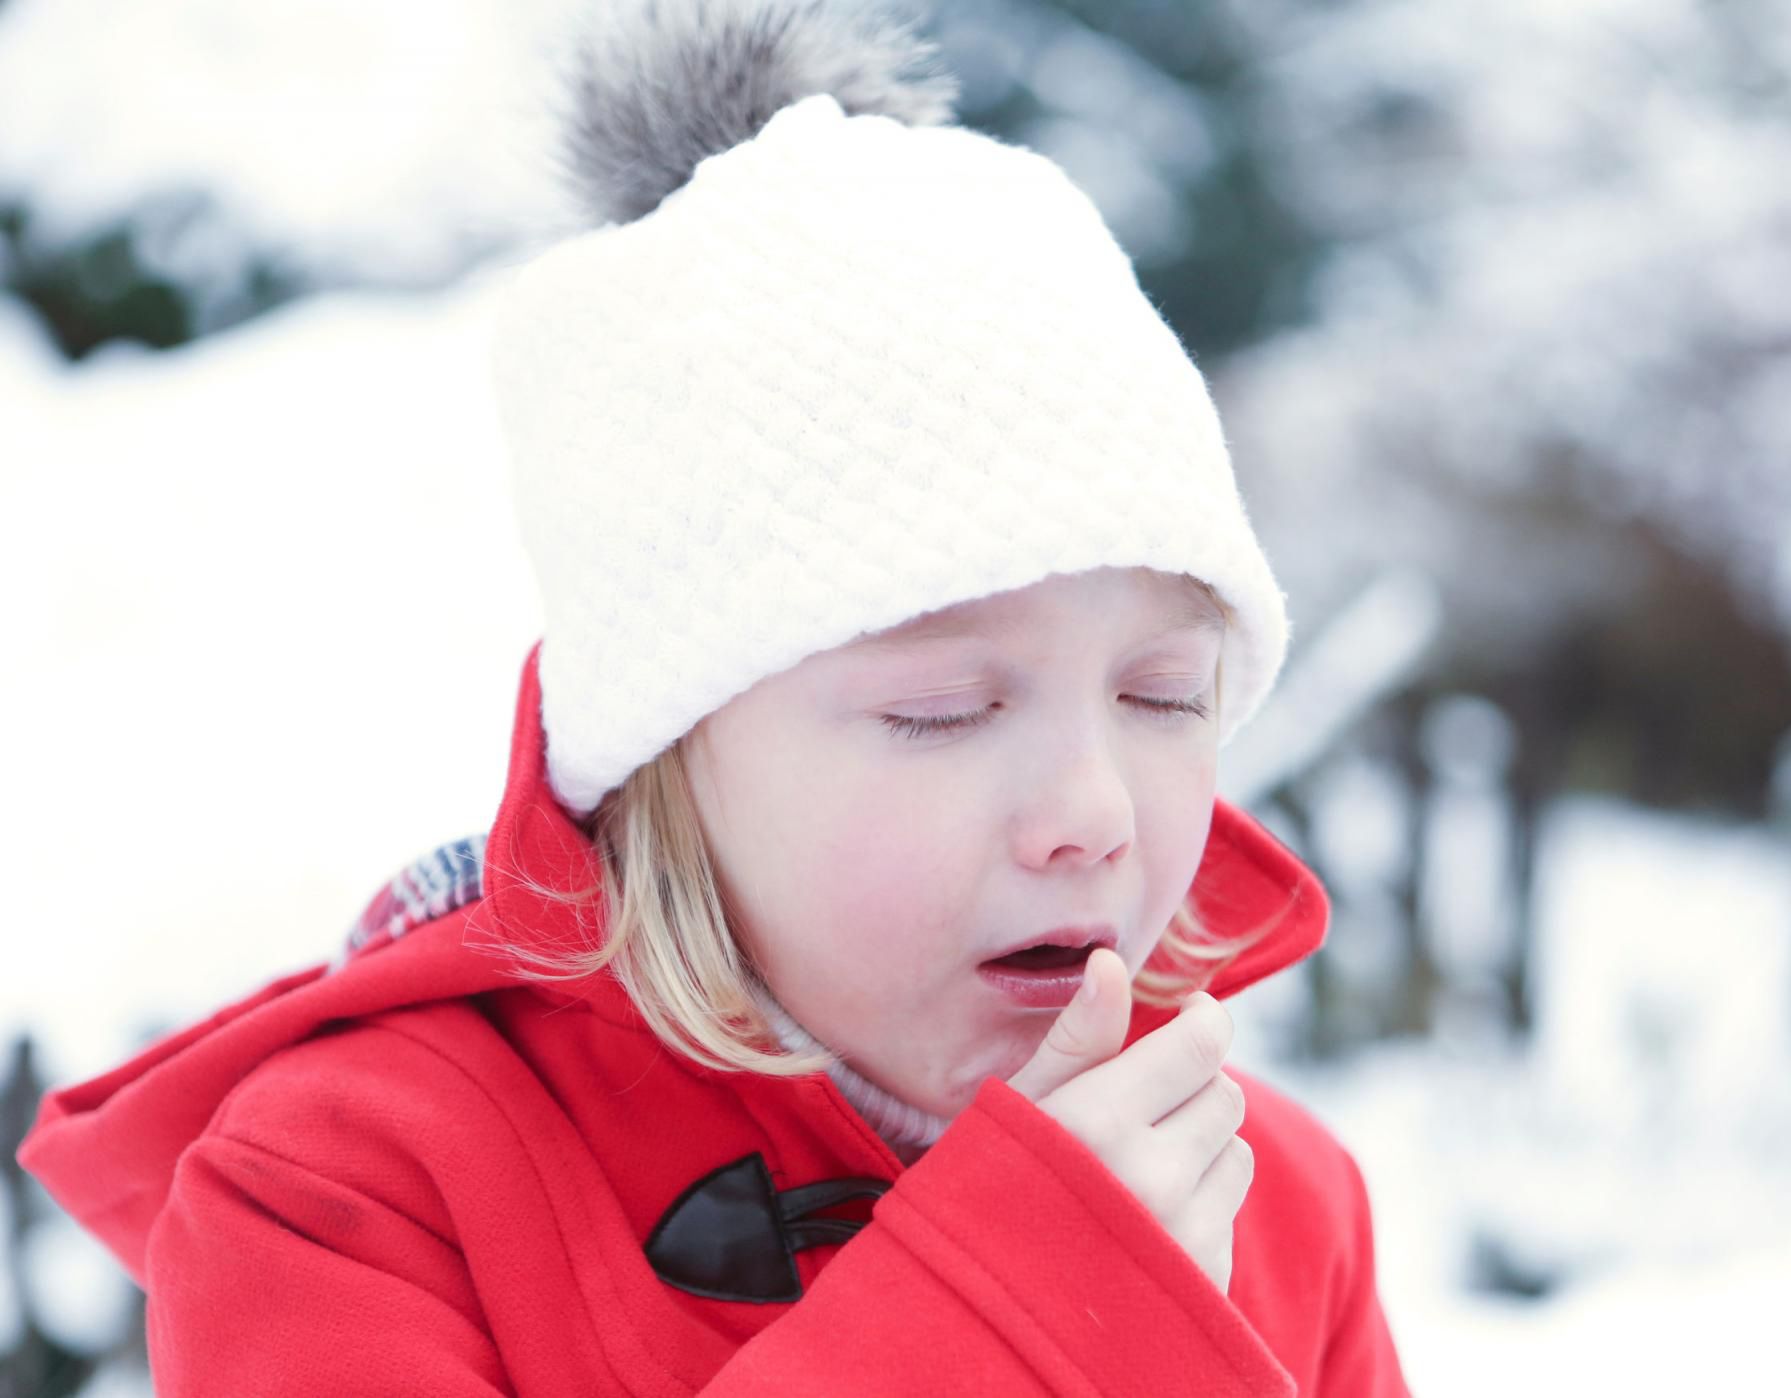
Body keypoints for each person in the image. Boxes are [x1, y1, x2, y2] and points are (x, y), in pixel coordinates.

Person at [17, 2, 1412, 1393]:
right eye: (944, 707)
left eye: (1166, 693)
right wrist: (1004, 1311)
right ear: (667, 750)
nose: (1093, 812)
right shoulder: (352, 1192)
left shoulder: (1278, 1203)